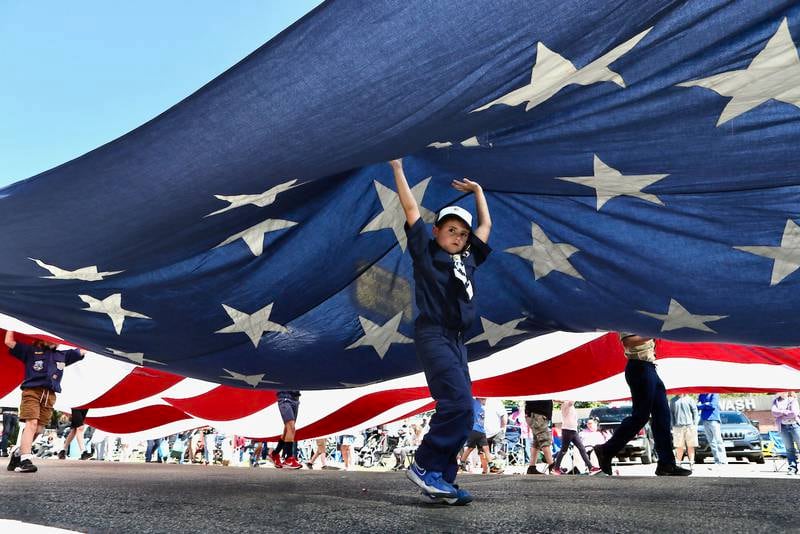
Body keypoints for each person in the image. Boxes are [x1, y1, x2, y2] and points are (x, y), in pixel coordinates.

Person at [390, 158, 492, 506]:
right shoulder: (426, 252)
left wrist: (478, 192)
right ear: (437, 232)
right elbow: (409, 207)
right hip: (433, 333)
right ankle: (424, 464)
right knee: (458, 403)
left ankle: (443, 480)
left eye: (462, 233)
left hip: (457, 341)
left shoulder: (469, 260)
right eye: (451, 230)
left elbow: (486, 227)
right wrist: (398, 169)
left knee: (466, 413)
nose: (459, 236)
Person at [593, 334, 691, 476]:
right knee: (641, 416)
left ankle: (666, 463)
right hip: (638, 366)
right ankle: (606, 450)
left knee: (662, 416)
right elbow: (627, 341)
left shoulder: (647, 318)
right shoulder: (631, 317)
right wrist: (653, 332)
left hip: (650, 367)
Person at [4, 331, 85, 473]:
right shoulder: (30, 351)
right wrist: (11, 326)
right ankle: (25, 460)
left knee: (39, 429)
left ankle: (17, 453)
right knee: (32, 423)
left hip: (50, 395)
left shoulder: (63, 355)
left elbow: (83, 351)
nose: (56, 341)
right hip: (32, 391)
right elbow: (9, 342)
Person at [552, 400, 596, 474]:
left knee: (581, 448)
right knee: (564, 450)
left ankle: (590, 467)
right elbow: (572, 401)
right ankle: (556, 468)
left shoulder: (570, 405)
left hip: (573, 430)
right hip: (567, 430)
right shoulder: (566, 404)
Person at [270, 390, 302, 469]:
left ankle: (275, 453)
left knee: (287, 429)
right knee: (291, 427)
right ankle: (289, 458)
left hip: (296, 398)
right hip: (285, 398)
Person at [459, 398, 492, 474]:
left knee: (485, 448)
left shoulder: (481, 406)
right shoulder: (475, 403)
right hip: (474, 429)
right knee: (470, 448)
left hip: (481, 430)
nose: (486, 400)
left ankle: (491, 465)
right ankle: (461, 464)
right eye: (484, 398)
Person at [771, 391, 800, 475]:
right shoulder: (775, 401)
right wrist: (786, 412)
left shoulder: (793, 400)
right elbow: (774, 412)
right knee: (789, 449)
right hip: (783, 427)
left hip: (795, 426)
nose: (781, 392)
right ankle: (792, 468)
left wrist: (780, 413)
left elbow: (794, 413)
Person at [525, 399, 555, 474]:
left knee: (537, 442)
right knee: (544, 439)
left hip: (536, 414)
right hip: (538, 415)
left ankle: (531, 467)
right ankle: (552, 466)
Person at [697, 393, 728, 465]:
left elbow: (713, 405)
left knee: (718, 440)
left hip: (714, 419)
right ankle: (717, 460)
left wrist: (703, 405)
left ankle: (723, 460)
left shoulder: (714, 394)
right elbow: (697, 406)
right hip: (704, 420)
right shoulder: (701, 395)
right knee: (711, 442)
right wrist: (706, 404)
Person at [669, 393, 699, 466]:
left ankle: (691, 463)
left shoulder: (690, 399)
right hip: (677, 427)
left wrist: (695, 424)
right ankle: (678, 464)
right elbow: (671, 414)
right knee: (679, 446)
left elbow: (695, 412)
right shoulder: (672, 400)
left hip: (690, 426)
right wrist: (672, 426)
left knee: (691, 446)